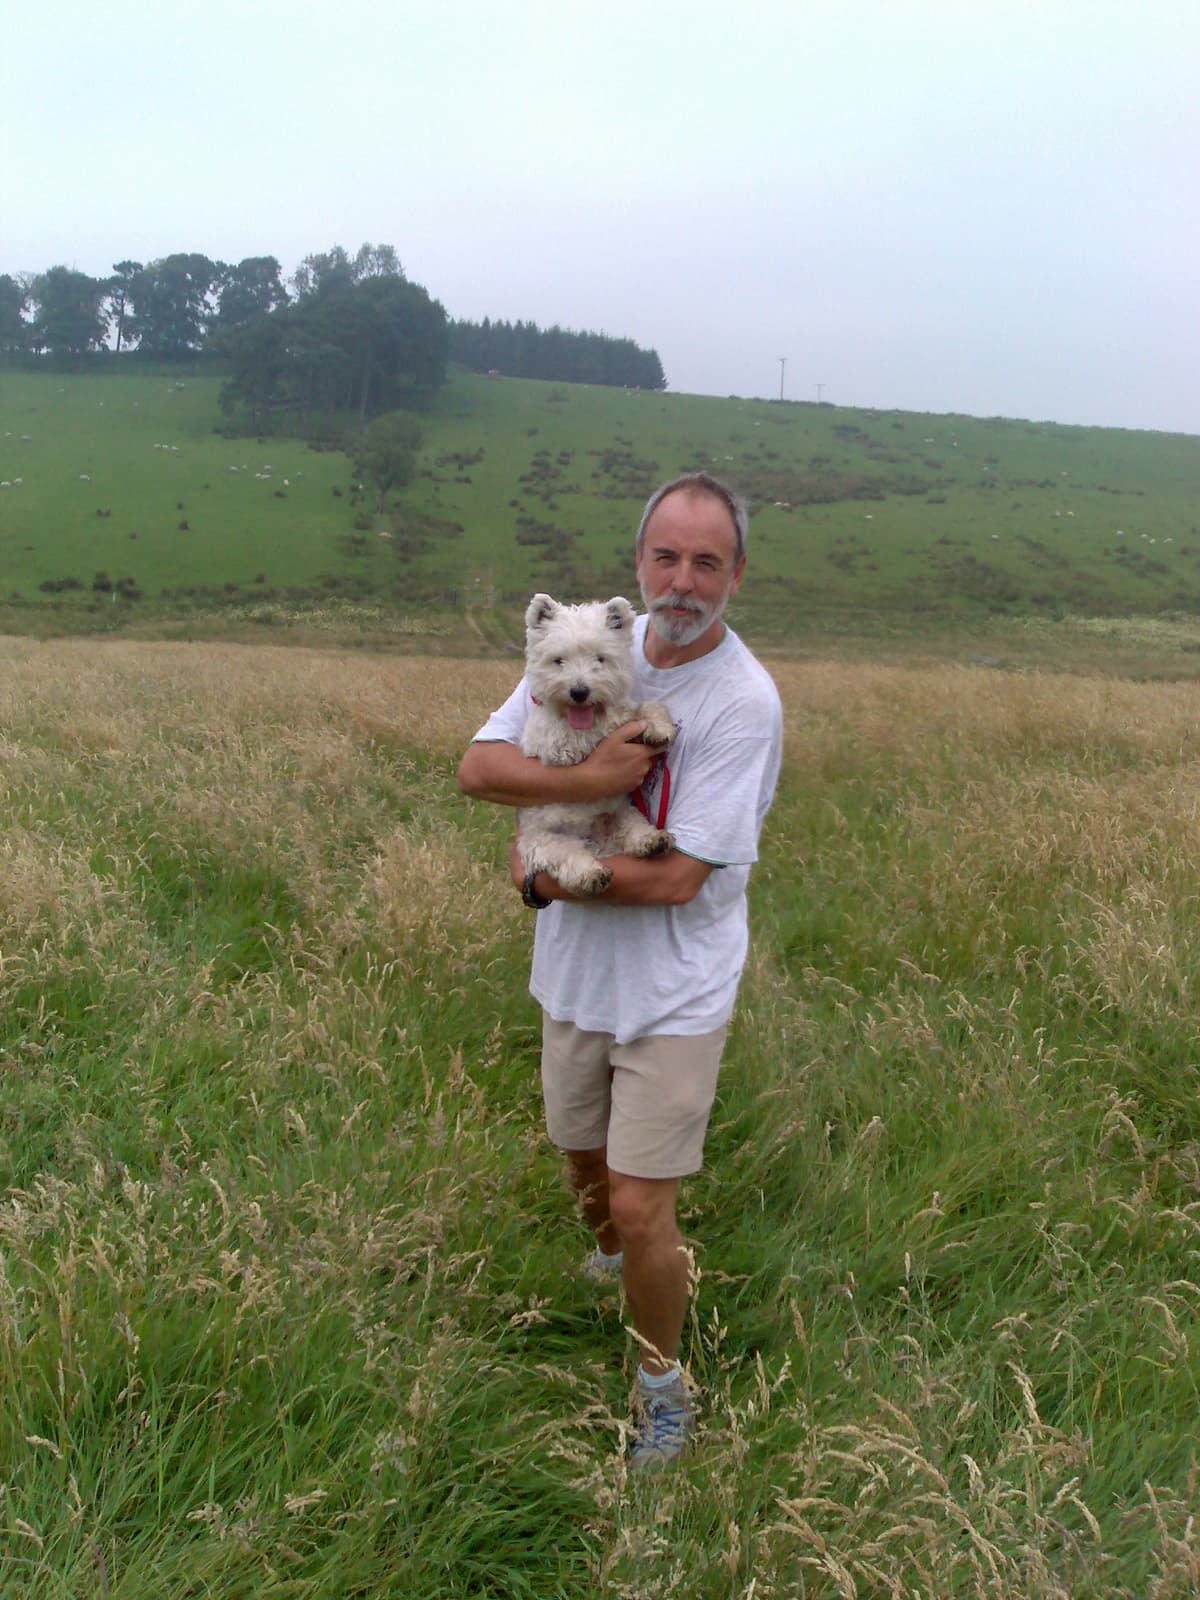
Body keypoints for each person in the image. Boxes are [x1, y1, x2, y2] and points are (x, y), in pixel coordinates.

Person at [457, 471, 782, 1470]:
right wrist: (589, 781)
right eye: (667, 557)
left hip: (675, 987)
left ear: (736, 574)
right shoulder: (591, 641)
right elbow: (481, 766)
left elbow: (679, 877)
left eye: (707, 562)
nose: (683, 581)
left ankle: (662, 1388)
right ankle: (613, 1254)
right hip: (576, 979)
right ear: (639, 563)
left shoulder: (743, 701)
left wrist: (550, 880)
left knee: (644, 1204)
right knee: (582, 1160)